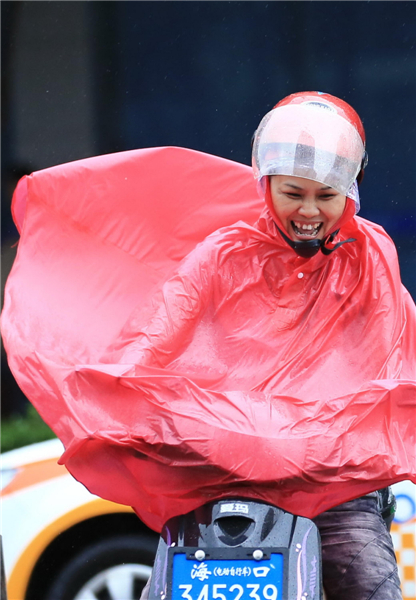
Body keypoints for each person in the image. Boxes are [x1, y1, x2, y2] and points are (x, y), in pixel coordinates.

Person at [120, 92, 403, 600]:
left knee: (368, 586)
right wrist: (125, 400)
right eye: (294, 193)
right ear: (264, 182)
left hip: (333, 487)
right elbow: (151, 346)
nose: (310, 211)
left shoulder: (371, 260)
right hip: (220, 480)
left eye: (327, 194)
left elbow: (390, 361)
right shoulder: (219, 255)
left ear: (352, 190)